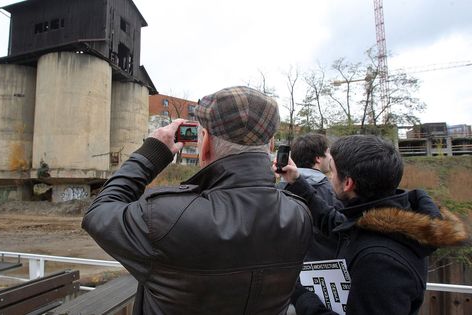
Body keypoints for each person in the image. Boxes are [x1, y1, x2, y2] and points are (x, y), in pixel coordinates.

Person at [83, 86, 313, 315]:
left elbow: (99, 213)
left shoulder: (165, 217)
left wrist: (150, 155)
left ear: (206, 145)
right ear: (271, 145)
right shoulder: (299, 214)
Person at [279, 135, 468, 315]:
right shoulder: (385, 223)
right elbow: (334, 223)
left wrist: (302, 296)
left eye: (332, 172)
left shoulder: (379, 260)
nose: (329, 178)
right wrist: (297, 181)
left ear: (348, 183)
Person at [278, 133, 343, 261]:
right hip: (327, 271)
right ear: (318, 158)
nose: (331, 158)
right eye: (328, 153)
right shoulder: (335, 192)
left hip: (286, 271)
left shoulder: (276, 192)